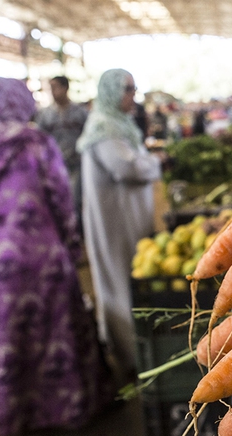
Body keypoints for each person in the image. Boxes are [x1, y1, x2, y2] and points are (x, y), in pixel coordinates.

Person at [0, 77, 114, 436]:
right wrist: (73, 248)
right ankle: (69, 407)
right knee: (56, 329)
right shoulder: (35, 142)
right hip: (37, 251)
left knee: (5, 334)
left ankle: (18, 415)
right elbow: (60, 198)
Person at [76, 69, 162, 379]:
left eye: (134, 88)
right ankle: (130, 357)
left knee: (133, 277)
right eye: (127, 89)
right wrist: (157, 163)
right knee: (120, 282)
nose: (133, 96)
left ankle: (137, 352)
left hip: (127, 217)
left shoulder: (118, 123)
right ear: (111, 91)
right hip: (114, 222)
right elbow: (125, 167)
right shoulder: (103, 127)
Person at [35, 76, 88, 235]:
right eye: (50, 88)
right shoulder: (45, 115)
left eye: (55, 87)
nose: (52, 91)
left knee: (74, 200)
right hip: (54, 167)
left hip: (75, 164)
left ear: (65, 88)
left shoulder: (80, 113)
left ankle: (75, 235)